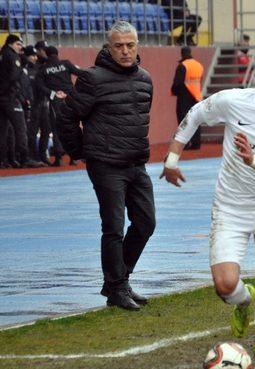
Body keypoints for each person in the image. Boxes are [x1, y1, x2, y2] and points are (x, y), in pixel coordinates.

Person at [160, 46, 255, 369]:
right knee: (226, 285)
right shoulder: (234, 101)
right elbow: (196, 114)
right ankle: (244, 301)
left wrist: (253, 160)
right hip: (231, 207)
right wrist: (172, 158)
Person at [57, 21, 156, 311]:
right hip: (106, 165)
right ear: (108, 47)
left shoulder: (145, 78)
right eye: (118, 46)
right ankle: (116, 289)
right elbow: (66, 116)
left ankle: (118, 280)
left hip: (137, 163)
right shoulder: (91, 79)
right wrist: (81, 151)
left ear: (137, 46)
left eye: (130, 45)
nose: (125, 51)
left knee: (146, 223)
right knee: (113, 227)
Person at [0, 34, 41, 169]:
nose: (20, 48)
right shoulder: (13, 57)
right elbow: (14, 77)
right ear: (11, 44)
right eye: (18, 44)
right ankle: (24, 159)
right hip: (9, 98)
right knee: (20, 128)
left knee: (1, 130)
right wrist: (1, 90)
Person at [36, 45, 85, 166]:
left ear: (46, 54)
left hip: (56, 100)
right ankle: (74, 157)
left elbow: (39, 85)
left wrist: (53, 93)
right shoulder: (66, 63)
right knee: (74, 126)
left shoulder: (43, 68)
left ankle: (58, 158)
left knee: (57, 128)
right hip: (70, 97)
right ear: (57, 53)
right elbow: (81, 73)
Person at [171, 46, 204, 150]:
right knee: (196, 119)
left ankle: (185, 143)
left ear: (182, 54)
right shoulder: (199, 65)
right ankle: (196, 143)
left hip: (184, 96)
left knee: (183, 120)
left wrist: (174, 91)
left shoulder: (182, 66)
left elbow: (177, 83)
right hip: (197, 96)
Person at [24, 45, 51, 165]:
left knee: (46, 130)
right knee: (32, 132)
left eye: (35, 55)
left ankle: (42, 155)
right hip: (32, 105)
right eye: (32, 55)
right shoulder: (24, 70)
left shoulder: (40, 68)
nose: (34, 58)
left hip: (43, 104)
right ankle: (33, 156)